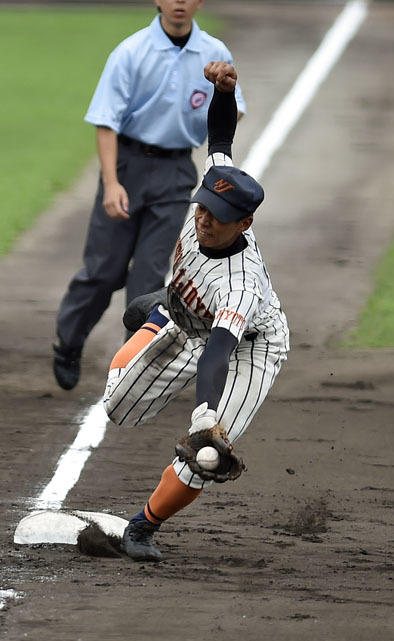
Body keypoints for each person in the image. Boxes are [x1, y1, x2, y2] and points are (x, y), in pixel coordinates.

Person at [102, 61, 289, 562]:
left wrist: (206, 416)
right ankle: (160, 310)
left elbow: (219, 356)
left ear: (245, 223)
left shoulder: (242, 285)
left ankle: (141, 528)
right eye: (202, 209)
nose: (203, 220)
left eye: (218, 218)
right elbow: (221, 135)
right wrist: (223, 91)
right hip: (188, 318)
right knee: (118, 407)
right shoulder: (211, 191)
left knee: (204, 456)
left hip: (247, 348)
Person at [53, 0, 247, 391]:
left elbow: (234, 111)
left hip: (176, 172)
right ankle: (68, 342)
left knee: (149, 278)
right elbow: (106, 123)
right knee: (103, 272)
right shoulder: (131, 52)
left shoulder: (214, 53)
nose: (179, 2)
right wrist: (111, 183)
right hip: (127, 165)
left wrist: (220, 91)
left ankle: (133, 369)